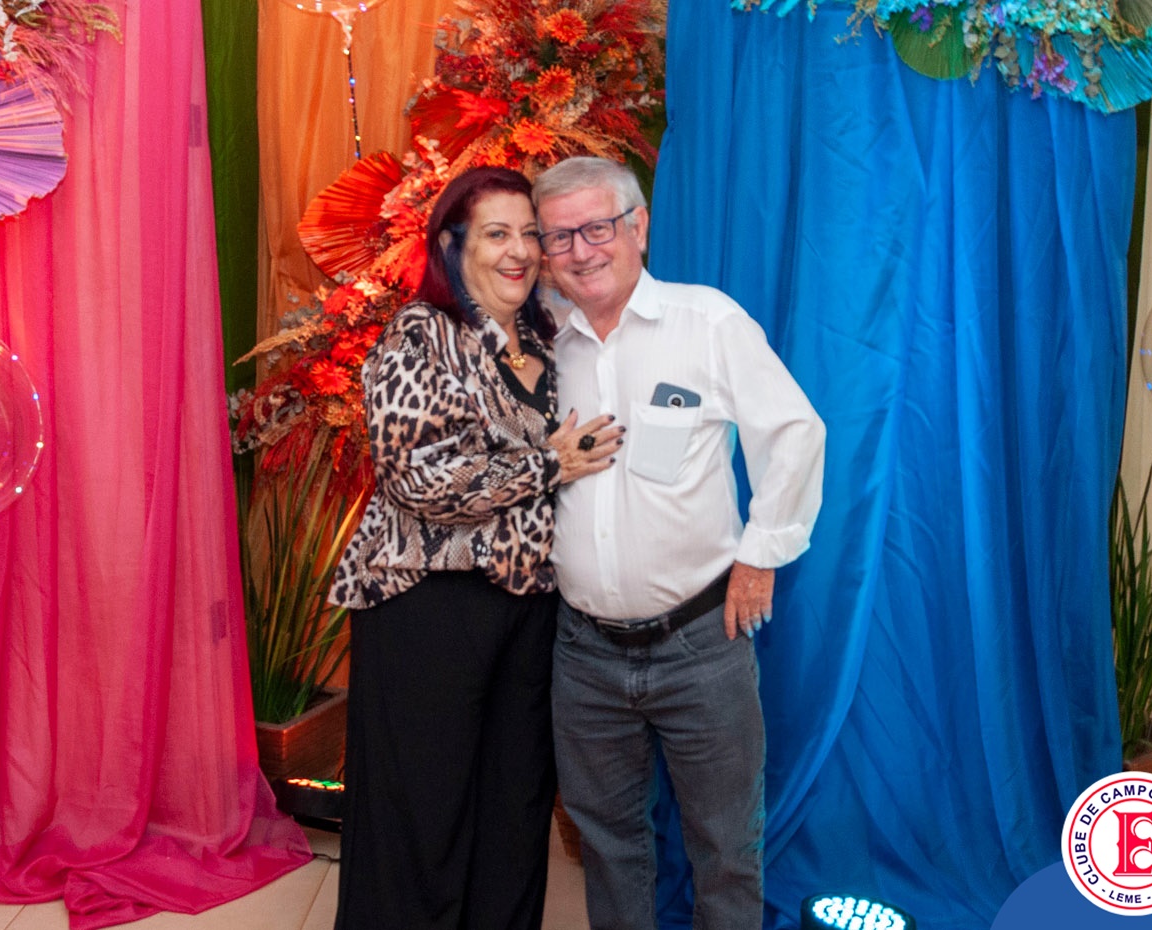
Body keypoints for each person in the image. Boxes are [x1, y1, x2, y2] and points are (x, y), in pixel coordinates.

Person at [533, 156, 826, 930]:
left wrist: (761, 553)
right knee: (608, 843)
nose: (581, 251)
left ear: (639, 226)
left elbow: (795, 433)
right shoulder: (540, 347)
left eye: (598, 227)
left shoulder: (708, 322)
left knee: (725, 847)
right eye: (559, 237)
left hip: (702, 644)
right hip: (583, 651)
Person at [330, 166, 622, 930]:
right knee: (423, 818)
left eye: (529, 233)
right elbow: (415, 480)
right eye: (497, 233)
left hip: (530, 610)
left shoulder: (552, 340)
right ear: (451, 246)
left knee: (513, 811)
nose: (519, 250)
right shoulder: (422, 333)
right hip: (428, 606)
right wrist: (548, 465)